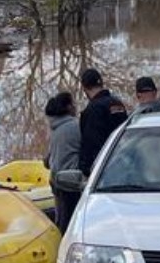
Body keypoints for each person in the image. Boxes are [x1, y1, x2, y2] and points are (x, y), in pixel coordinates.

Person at [77, 68, 129, 175]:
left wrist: (85, 169)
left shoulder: (92, 110)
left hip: (102, 172)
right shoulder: (118, 104)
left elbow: (90, 145)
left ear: (85, 88)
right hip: (124, 164)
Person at [44, 92, 81, 233]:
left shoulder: (54, 129)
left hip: (55, 181)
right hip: (71, 183)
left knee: (60, 220)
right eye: (73, 103)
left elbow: (47, 160)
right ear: (69, 107)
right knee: (70, 224)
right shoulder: (76, 126)